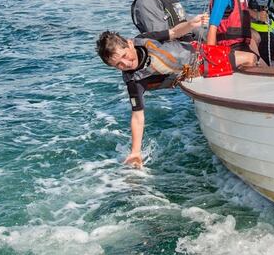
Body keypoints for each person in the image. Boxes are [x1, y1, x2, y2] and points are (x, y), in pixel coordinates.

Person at [96, 30, 253, 169]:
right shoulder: (134, 80)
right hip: (199, 68)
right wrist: (135, 152)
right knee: (248, 59)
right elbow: (137, 115)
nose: (125, 63)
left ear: (130, 44)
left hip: (196, 51)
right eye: (118, 65)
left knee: (250, 58)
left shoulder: (144, 40)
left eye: (124, 56)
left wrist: (192, 23)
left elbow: (173, 32)